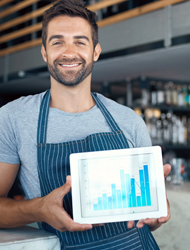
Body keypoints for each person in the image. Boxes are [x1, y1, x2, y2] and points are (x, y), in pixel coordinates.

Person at [0, 0, 171, 249]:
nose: (69, 52)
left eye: (80, 41)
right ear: (44, 52)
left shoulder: (128, 120)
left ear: (96, 52)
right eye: (57, 42)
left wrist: (156, 214)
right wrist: (38, 209)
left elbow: (149, 214)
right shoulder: (12, 118)